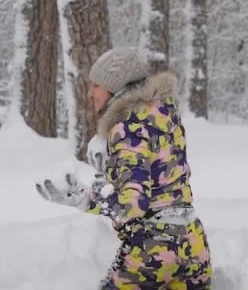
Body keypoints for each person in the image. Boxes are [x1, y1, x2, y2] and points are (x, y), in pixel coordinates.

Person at [36, 47, 212, 289]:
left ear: (114, 87)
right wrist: (107, 175)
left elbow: (132, 206)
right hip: (194, 244)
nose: (90, 92)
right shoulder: (165, 116)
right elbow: (161, 181)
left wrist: (84, 199)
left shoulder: (128, 127)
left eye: (96, 85)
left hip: (153, 249)